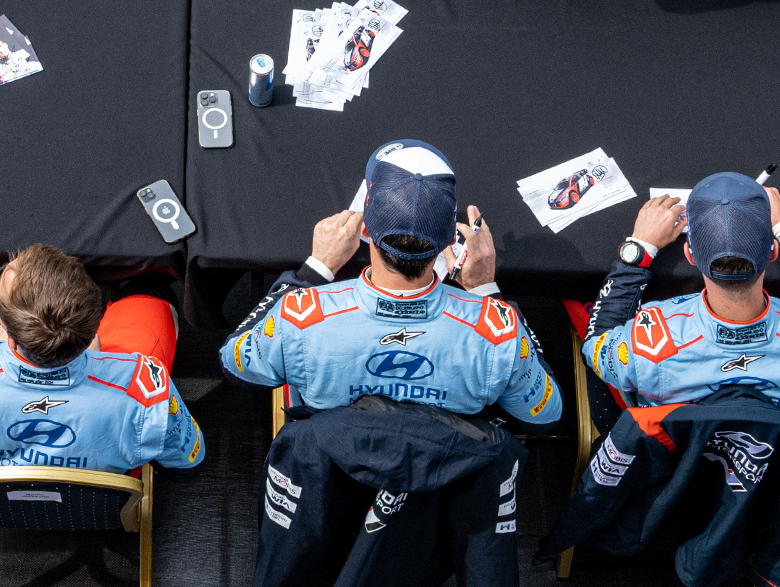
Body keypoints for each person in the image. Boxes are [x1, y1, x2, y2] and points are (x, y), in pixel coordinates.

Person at [221, 139, 558, 426]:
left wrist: (315, 271)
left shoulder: (299, 316)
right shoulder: (499, 332)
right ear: (448, 243)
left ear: (364, 231)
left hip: (337, 466)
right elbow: (545, 414)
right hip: (438, 474)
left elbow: (237, 365)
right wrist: (486, 290)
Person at [0, 242, 205, 474]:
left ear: (3, 325)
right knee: (149, 289)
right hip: (101, 507)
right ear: (94, 327)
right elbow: (187, 460)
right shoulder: (147, 391)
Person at [586, 177, 780, 404]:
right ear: (773, 252)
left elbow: (596, 347)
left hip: (675, 454)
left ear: (689, 255)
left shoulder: (645, 346)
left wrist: (638, 250)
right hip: (778, 455)